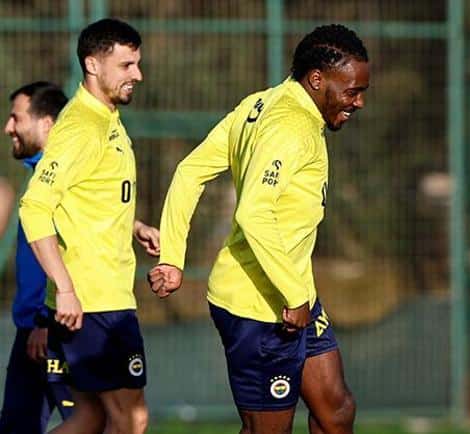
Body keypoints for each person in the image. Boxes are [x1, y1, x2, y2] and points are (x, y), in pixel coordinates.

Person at [148, 24, 369, 434]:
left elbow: (188, 171)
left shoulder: (260, 104)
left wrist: (172, 259)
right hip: (259, 307)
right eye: (352, 91)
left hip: (296, 295)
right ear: (316, 79)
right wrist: (293, 294)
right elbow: (253, 213)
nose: (359, 102)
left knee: (336, 410)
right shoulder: (291, 126)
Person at [18, 19, 159, 434]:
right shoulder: (81, 126)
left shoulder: (105, 117)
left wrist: (132, 225)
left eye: (137, 64)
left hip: (99, 297)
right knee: (131, 418)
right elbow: (35, 207)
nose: (138, 75)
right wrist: (65, 289)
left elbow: (85, 195)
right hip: (95, 303)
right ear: (93, 65)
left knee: (91, 417)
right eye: (127, 65)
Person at [0, 82, 72, 434]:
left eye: (16, 118)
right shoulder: (38, 175)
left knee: (93, 421)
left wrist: (45, 320)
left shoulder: (60, 179)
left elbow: (72, 248)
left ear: (46, 123)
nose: (8, 127)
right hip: (31, 328)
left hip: (53, 328)